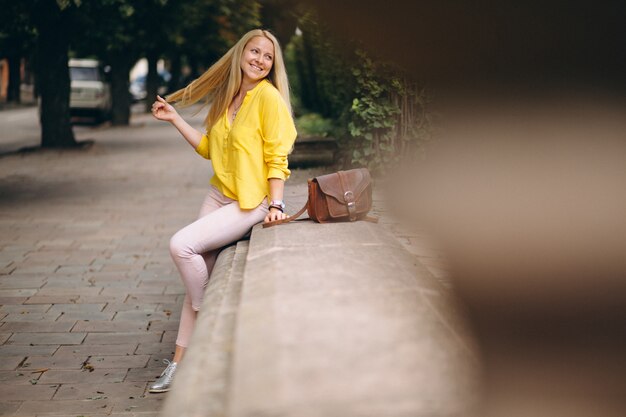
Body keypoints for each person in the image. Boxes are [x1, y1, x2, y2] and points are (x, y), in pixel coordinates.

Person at [147, 29, 297, 393]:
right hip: (219, 195)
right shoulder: (229, 95)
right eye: (255, 52)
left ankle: (210, 317)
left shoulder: (269, 99)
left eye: (268, 57)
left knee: (181, 246)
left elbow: (278, 157)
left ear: (273, 65)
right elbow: (210, 148)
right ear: (241, 53)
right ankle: (180, 365)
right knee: (197, 272)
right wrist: (175, 119)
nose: (260, 60)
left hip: (251, 201)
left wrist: (276, 205)